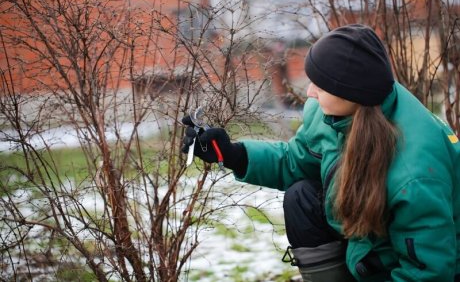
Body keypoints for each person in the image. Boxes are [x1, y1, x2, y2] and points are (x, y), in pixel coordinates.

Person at [181, 24, 460, 282]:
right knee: (301, 197)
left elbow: (427, 272)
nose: (311, 92)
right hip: (369, 245)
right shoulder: (341, 111)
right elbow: (295, 160)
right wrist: (232, 154)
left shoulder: (415, 173)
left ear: (348, 92)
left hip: (413, 262)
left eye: (320, 85)